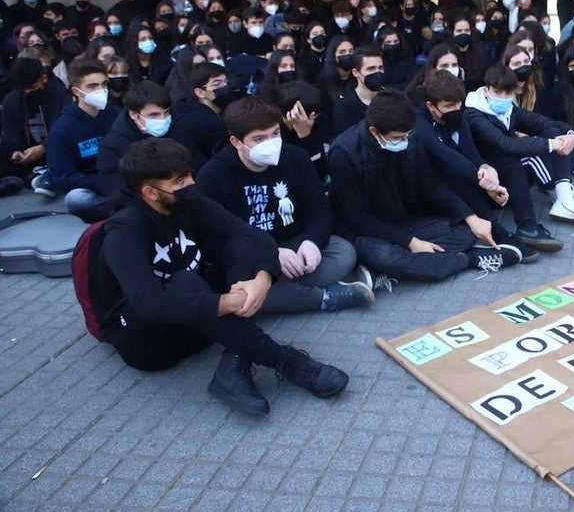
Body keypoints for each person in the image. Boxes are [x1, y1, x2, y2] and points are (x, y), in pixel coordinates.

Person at [95, 138, 349, 414]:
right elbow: (150, 303)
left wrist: (261, 281)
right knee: (184, 281)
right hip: (148, 339)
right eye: (180, 181)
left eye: (190, 174)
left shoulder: (186, 202)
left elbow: (253, 236)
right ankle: (286, 361)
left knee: (238, 245)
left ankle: (234, 366)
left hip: (201, 317)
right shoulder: (124, 229)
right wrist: (229, 303)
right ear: (150, 192)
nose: (191, 184)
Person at [329, 89, 529, 282]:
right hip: (367, 230)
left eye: (408, 135)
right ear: (374, 131)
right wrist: (411, 243)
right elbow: (356, 218)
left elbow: (431, 184)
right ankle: (469, 259)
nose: (405, 141)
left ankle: (392, 270)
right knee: (385, 256)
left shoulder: (409, 136)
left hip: (407, 220)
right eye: (398, 138)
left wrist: (471, 217)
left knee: (467, 233)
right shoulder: (344, 153)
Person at [197, 98, 372, 314]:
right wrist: (271, 255)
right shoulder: (212, 176)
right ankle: (323, 297)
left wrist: (313, 242)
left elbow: (319, 210)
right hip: (250, 258)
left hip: (295, 244)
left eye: (274, 134)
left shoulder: (295, 157)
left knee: (343, 252)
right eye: (259, 138)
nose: (270, 143)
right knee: (238, 291)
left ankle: (284, 294)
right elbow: (215, 239)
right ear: (236, 142)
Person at [414, 70, 540, 259]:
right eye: (449, 105)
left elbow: (471, 153)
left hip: (461, 183)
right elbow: (443, 155)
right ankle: (500, 235)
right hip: (430, 191)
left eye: (459, 102)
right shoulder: (419, 123)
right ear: (431, 106)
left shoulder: (460, 118)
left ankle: (528, 227)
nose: (457, 108)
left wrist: (488, 171)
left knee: (509, 164)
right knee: (456, 178)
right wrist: (480, 177)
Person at [466, 65, 574, 228]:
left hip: (510, 176)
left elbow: (543, 122)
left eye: (508, 93)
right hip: (490, 185)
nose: (503, 98)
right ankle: (561, 199)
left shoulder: (509, 111)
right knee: (529, 156)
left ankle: (565, 198)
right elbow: (505, 144)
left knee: (552, 132)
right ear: (486, 91)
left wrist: (570, 134)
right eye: (497, 92)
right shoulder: (474, 115)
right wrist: (552, 144)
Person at [38, 57, 119, 220]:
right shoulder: (63, 128)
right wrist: (100, 183)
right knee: (76, 199)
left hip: (121, 180)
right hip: (90, 186)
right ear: (76, 91)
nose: (101, 90)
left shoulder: (118, 115)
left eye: (104, 84)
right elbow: (63, 175)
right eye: (93, 86)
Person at [97, 80, 182, 199]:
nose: (163, 119)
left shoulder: (178, 129)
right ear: (133, 115)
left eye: (166, 113)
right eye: (153, 115)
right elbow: (115, 191)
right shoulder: (112, 146)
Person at [0, 57, 67, 181]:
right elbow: (10, 132)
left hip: (56, 150)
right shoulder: (12, 99)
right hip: (27, 156)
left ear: (43, 78)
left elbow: (65, 129)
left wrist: (44, 147)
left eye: (32, 87)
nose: (28, 92)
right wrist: (14, 151)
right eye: (24, 89)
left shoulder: (59, 95)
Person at [172, 62, 232, 164]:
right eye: (217, 84)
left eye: (226, 82)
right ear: (200, 92)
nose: (224, 87)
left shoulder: (189, 111)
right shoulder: (207, 121)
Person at [332, 45, 384, 134]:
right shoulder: (344, 105)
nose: (377, 72)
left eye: (380, 68)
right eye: (371, 69)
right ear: (356, 73)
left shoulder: (391, 97)